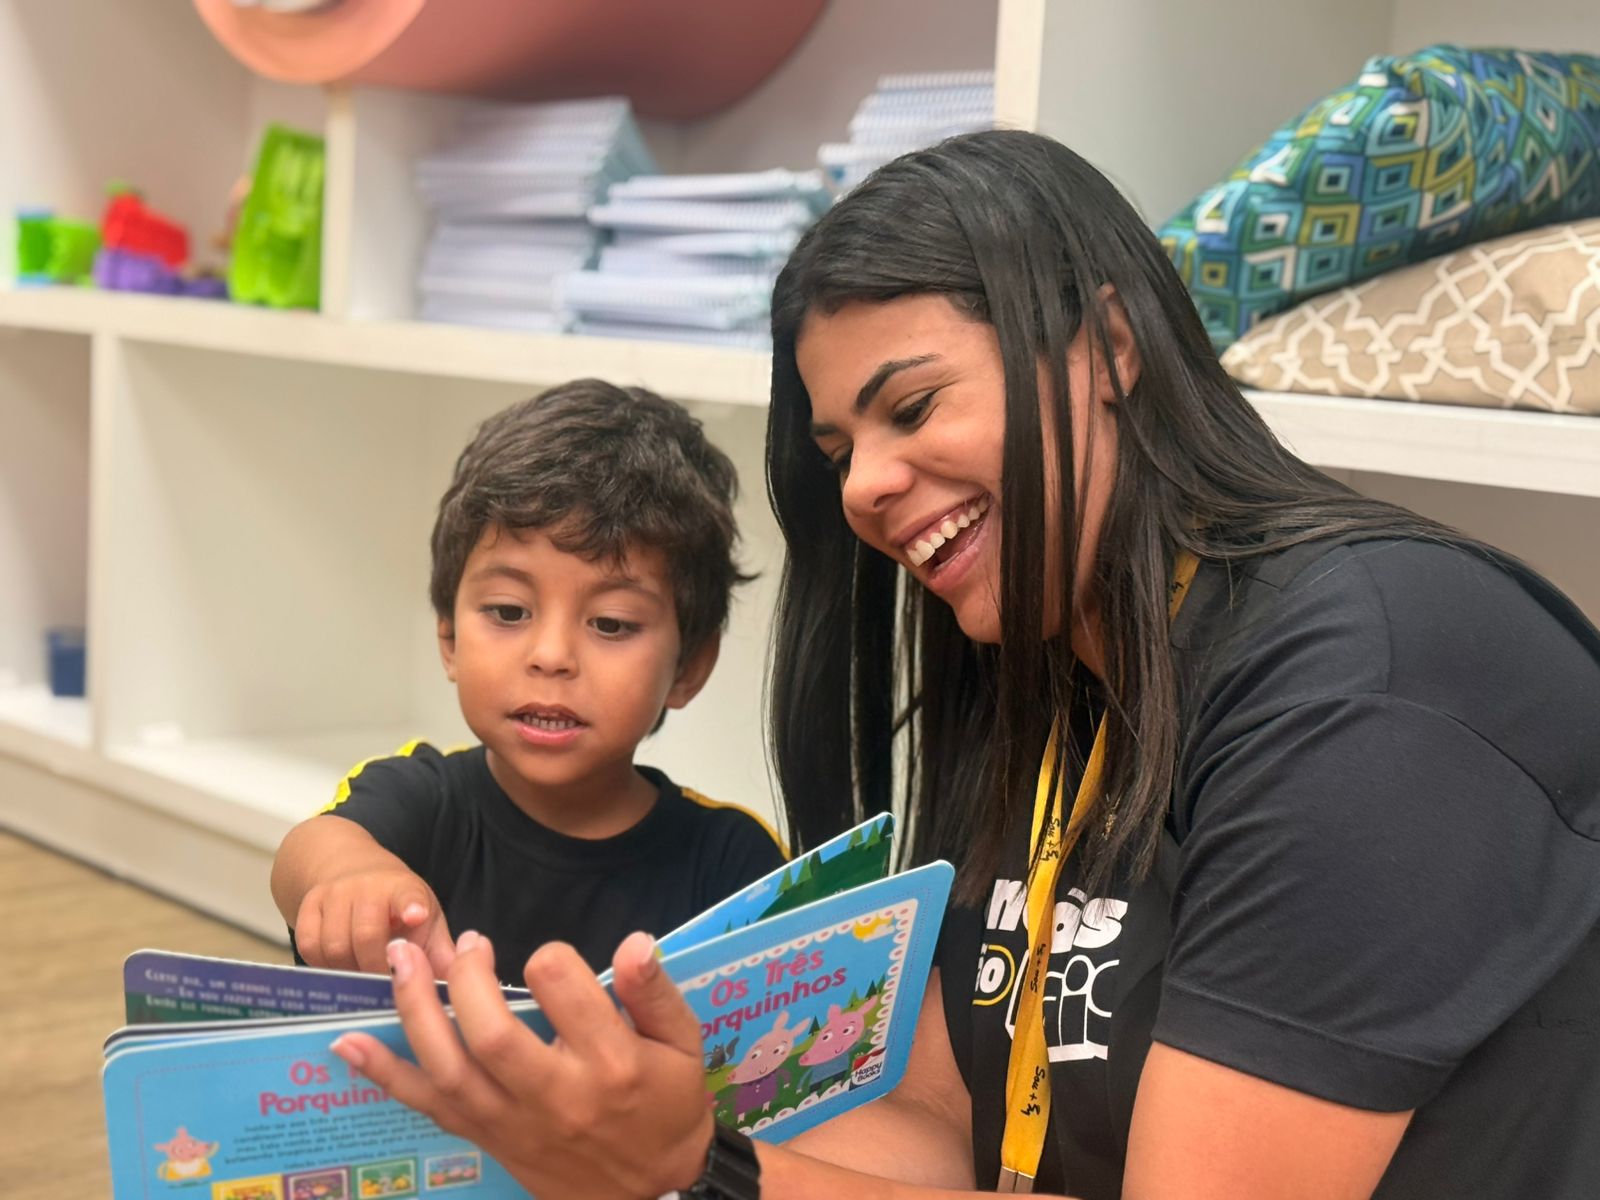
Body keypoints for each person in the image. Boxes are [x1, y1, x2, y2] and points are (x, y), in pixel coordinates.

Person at [327, 131, 1600, 1199]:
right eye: (838, 448)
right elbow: (935, 1132)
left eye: (913, 407)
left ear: (1106, 350)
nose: (867, 489)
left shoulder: (1370, 681)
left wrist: (684, 1169)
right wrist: (620, 1150)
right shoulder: (1040, 684)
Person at [270, 380, 787, 987]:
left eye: (611, 623)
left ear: (689, 667)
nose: (551, 656)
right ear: (449, 640)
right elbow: (309, 850)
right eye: (509, 612)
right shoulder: (421, 798)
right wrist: (350, 876)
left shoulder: (733, 861)